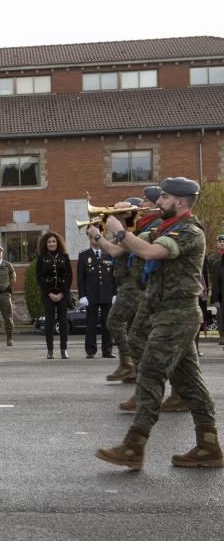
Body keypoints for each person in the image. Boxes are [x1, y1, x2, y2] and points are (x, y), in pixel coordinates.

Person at [95, 177, 223, 470]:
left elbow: (152, 252)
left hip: (176, 317)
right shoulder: (167, 228)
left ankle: (133, 447)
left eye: (163, 197)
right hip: (166, 314)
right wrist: (117, 231)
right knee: (191, 384)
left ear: (180, 202)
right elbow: (130, 248)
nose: (157, 202)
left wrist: (119, 230)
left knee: (151, 374)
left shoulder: (189, 231)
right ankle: (209, 445)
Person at [103, 191, 161, 383]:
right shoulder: (137, 229)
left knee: (116, 322)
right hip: (128, 283)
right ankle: (134, 368)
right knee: (133, 330)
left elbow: (116, 249)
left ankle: (131, 366)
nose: (143, 204)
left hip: (134, 284)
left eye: (146, 200)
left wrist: (97, 237)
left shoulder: (147, 229)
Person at [77, 233, 116, 359]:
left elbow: (114, 276)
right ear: (89, 238)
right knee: (91, 323)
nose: (96, 239)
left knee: (107, 323)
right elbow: (80, 278)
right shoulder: (83, 255)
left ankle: (107, 350)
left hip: (107, 293)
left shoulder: (108, 254)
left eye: (98, 236)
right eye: (93, 237)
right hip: (91, 294)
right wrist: (82, 295)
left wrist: (115, 293)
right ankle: (90, 350)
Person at [35, 231, 72, 360]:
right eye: (49, 242)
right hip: (48, 295)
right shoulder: (41, 258)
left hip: (62, 294)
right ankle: (50, 350)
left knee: (62, 322)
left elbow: (69, 276)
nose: (51, 244)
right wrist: (49, 293)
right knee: (49, 322)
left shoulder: (64, 257)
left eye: (54, 241)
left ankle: (63, 349)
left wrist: (62, 293)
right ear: (46, 244)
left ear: (58, 243)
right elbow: (39, 277)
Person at [211, 234, 224, 346]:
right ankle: (222, 336)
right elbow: (213, 280)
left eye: (223, 241)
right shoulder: (213, 258)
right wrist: (215, 298)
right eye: (220, 241)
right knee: (220, 316)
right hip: (219, 292)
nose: (222, 243)